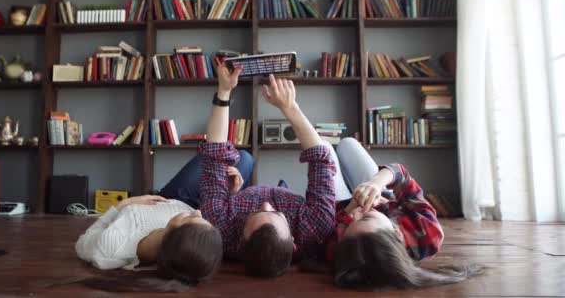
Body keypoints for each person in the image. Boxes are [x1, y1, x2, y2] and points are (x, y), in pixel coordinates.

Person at [198, 63, 337, 277]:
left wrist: (224, 91)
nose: (266, 204)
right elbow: (322, 158)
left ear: (240, 240)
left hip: (241, 192)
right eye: (276, 214)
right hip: (289, 195)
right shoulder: (315, 227)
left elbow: (214, 153)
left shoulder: (221, 227)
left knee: (242, 158)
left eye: (256, 213)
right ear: (293, 242)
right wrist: (289, 107)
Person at [74, 151, 253, 292]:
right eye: (202, 218)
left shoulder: (110, 248)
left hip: (172, 198)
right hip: (199, 204)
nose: (198, 212)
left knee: (224, 156)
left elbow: (82, 242)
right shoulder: (189, 236)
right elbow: (204, 214)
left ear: (171, 232)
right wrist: (228, 195)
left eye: (193, 218)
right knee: (245, 159)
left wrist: (124, 204)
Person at [323, 137, 482, 290]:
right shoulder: (426, 235)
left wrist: (352, 207)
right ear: (397, 233)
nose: (355, 216)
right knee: (346, 144)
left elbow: (326, 218)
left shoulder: (341, 250)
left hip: (340, 206)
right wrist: (377, 183)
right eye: (366, 217)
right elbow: (404, 178)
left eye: (348, 226)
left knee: (326, 148)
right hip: (380, 194)